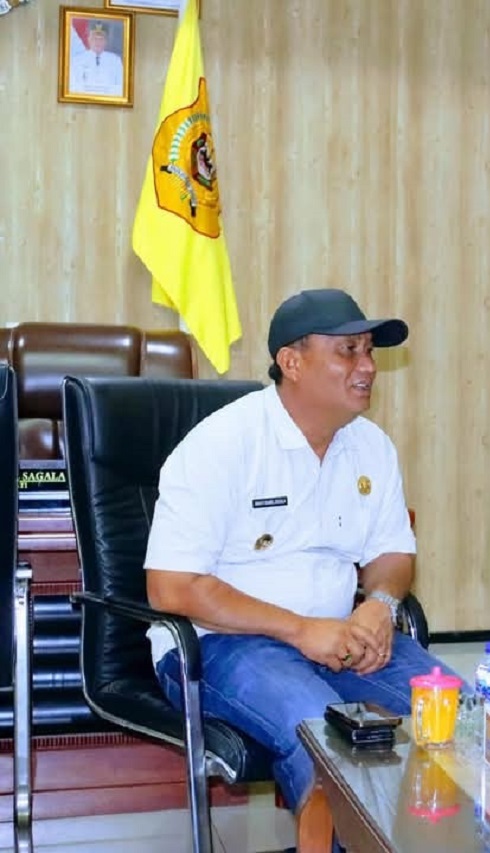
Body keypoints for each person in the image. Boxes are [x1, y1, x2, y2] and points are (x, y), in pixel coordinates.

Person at [145, 288, 462, 819]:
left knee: (460, 720)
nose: (368, 367)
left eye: (369, 352)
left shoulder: (371, 446)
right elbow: (171, 588)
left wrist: (380, 606)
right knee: (327, 735)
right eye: (348, 351)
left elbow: (391, 553)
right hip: (219, 644)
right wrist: (300, 630)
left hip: (341, 638)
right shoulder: (222, 445)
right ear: (291, 363)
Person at [69, 21, 125, 97]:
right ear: (89, 39)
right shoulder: (76, 61)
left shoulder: (116, 61)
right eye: (94, 38)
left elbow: (121, 88)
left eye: (101, 39)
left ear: (106, 41)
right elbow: (72, 87)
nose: (97, 42)